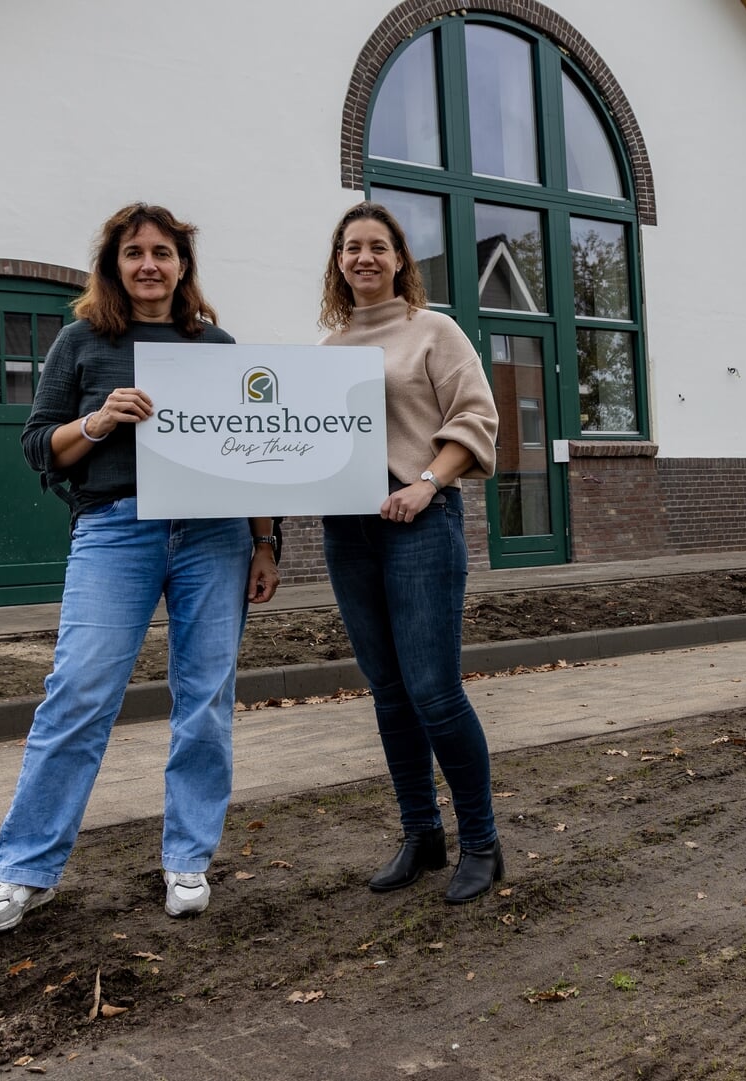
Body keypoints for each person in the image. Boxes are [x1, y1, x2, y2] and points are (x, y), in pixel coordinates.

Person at [0, 203, 280, 934]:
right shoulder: (82, 342)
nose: (149, 264)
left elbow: (253, 448)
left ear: (182, 266)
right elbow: (39, 444)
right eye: (135, 252)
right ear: (114, 265)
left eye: (163, 253)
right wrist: (99, 421)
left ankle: (187, 859)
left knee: (205, 698)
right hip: (115, 529)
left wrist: (267, 543)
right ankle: (24, 871)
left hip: (214, 535)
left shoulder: (217, 343)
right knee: (78, 692)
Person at [317, 201, 504, 903]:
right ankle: (421, 835)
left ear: (399, 259)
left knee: (433, 689)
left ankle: (482, 843)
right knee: (389, 690)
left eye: (377, 246)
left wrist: (428, 483)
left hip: (419, 520)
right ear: (338, 262)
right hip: (350, 529)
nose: (363, 257)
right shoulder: (330, 351)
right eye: (350, 247)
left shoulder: (434, 330)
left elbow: (477, 417)